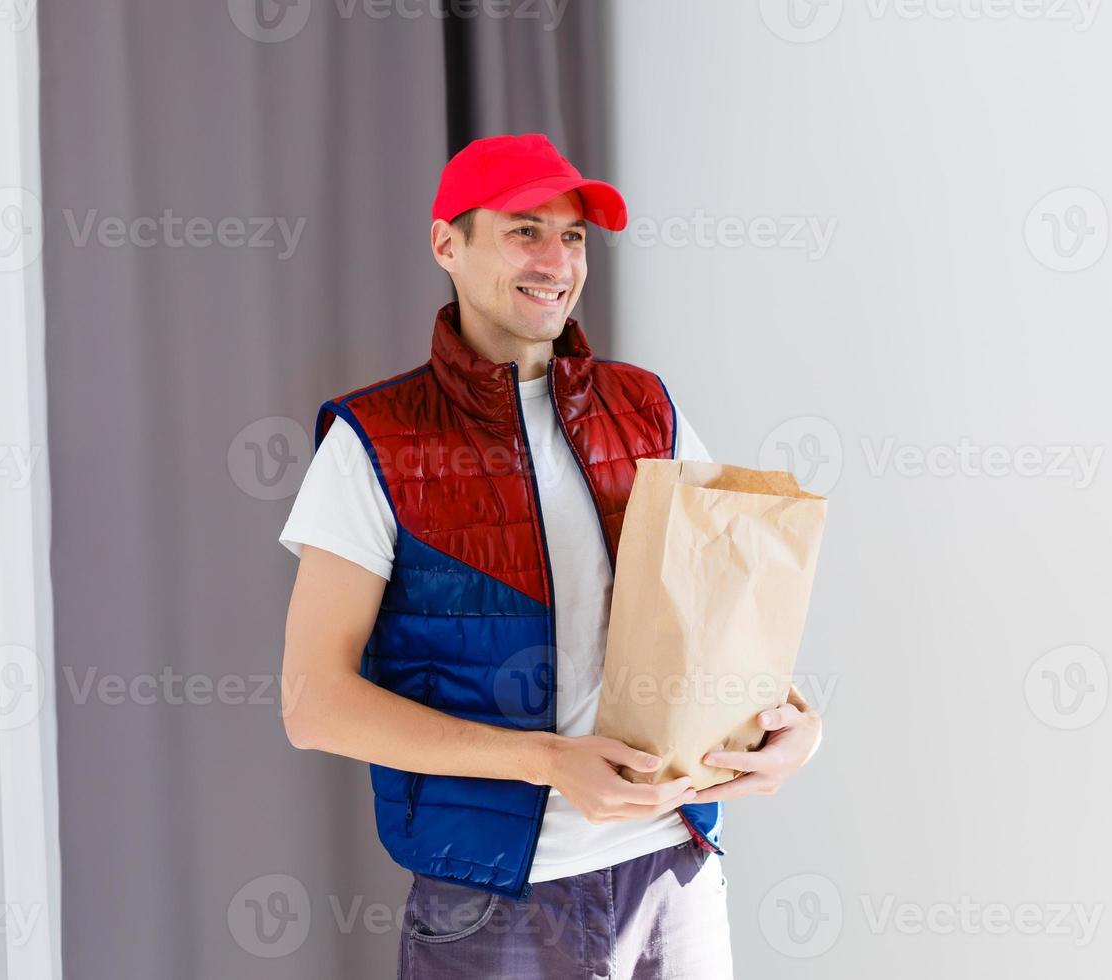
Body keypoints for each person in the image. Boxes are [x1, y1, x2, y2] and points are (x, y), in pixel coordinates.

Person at [278, 132, 822, 978]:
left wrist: (796, 726)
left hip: (674, 873)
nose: (556, 260)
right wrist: (545, 763)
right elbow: (315, 704)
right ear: (445, 244)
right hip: (497, 904)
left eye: (572, 237)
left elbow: (718, 625)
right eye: (524, 230)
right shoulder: (374, 439)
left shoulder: (644, 406)